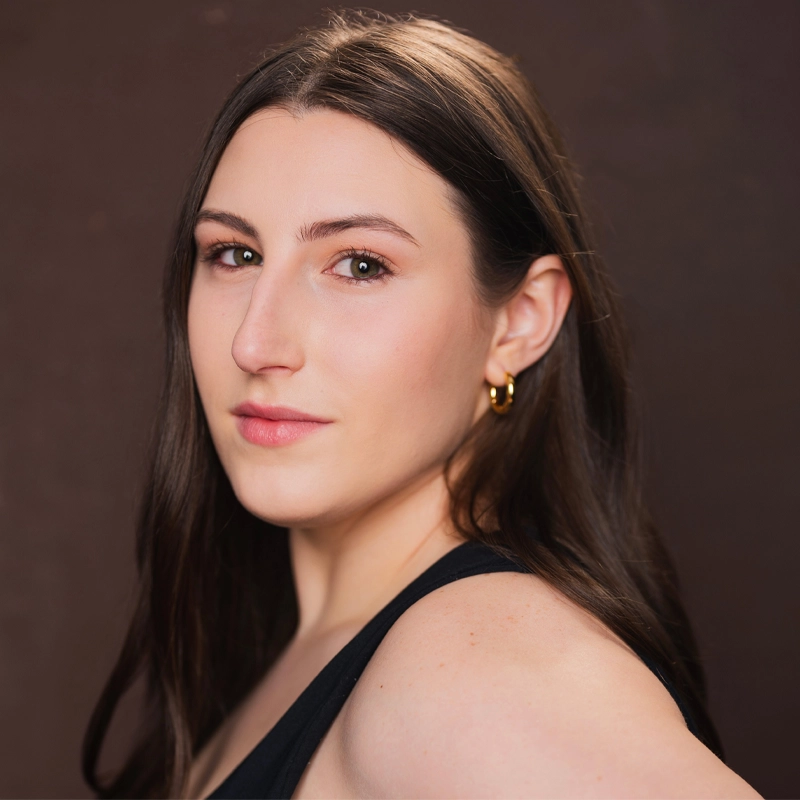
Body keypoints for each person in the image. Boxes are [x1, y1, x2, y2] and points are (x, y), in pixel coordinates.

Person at [82, 11, 759, 799]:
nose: (255, 343)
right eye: (234, 254)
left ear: (520, 321)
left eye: (360, 265)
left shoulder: (479, 665)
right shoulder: (314, 656)